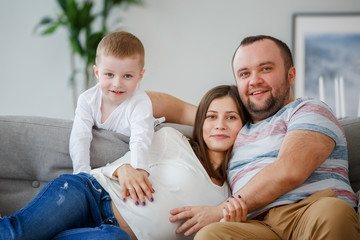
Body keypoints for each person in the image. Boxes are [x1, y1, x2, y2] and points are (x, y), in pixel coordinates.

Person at [148, 35, 360, 239]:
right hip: (257, 225)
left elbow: (291, 170)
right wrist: (119, 86)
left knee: (333, 213)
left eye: (265, 69)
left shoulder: (308, 109)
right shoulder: (233, 125)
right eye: (244, 74)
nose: (254, 81)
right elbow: (154, 104)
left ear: (291, 75)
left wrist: (220, 211)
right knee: (210, 235)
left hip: (312, 210)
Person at [0, 85, 248, 240]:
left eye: (231, 117)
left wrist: (230, 223)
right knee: (15, 234)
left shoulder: (230, 194)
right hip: (90, 195)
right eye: (211, 116)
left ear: (245, 126)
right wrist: (123, 168)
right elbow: (141, 100)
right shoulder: (174, 140)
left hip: (114, 235)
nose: (219, 125)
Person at [69, 31, 157, 202]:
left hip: (147, 132)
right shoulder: (87, 100)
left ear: (140, 76)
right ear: (97, 72)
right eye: (109, 74)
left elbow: (141, 139)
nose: (117, 83)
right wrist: (82, 175)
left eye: (127, 76)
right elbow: (80, 137)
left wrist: (139, 173)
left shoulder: (141, 103)